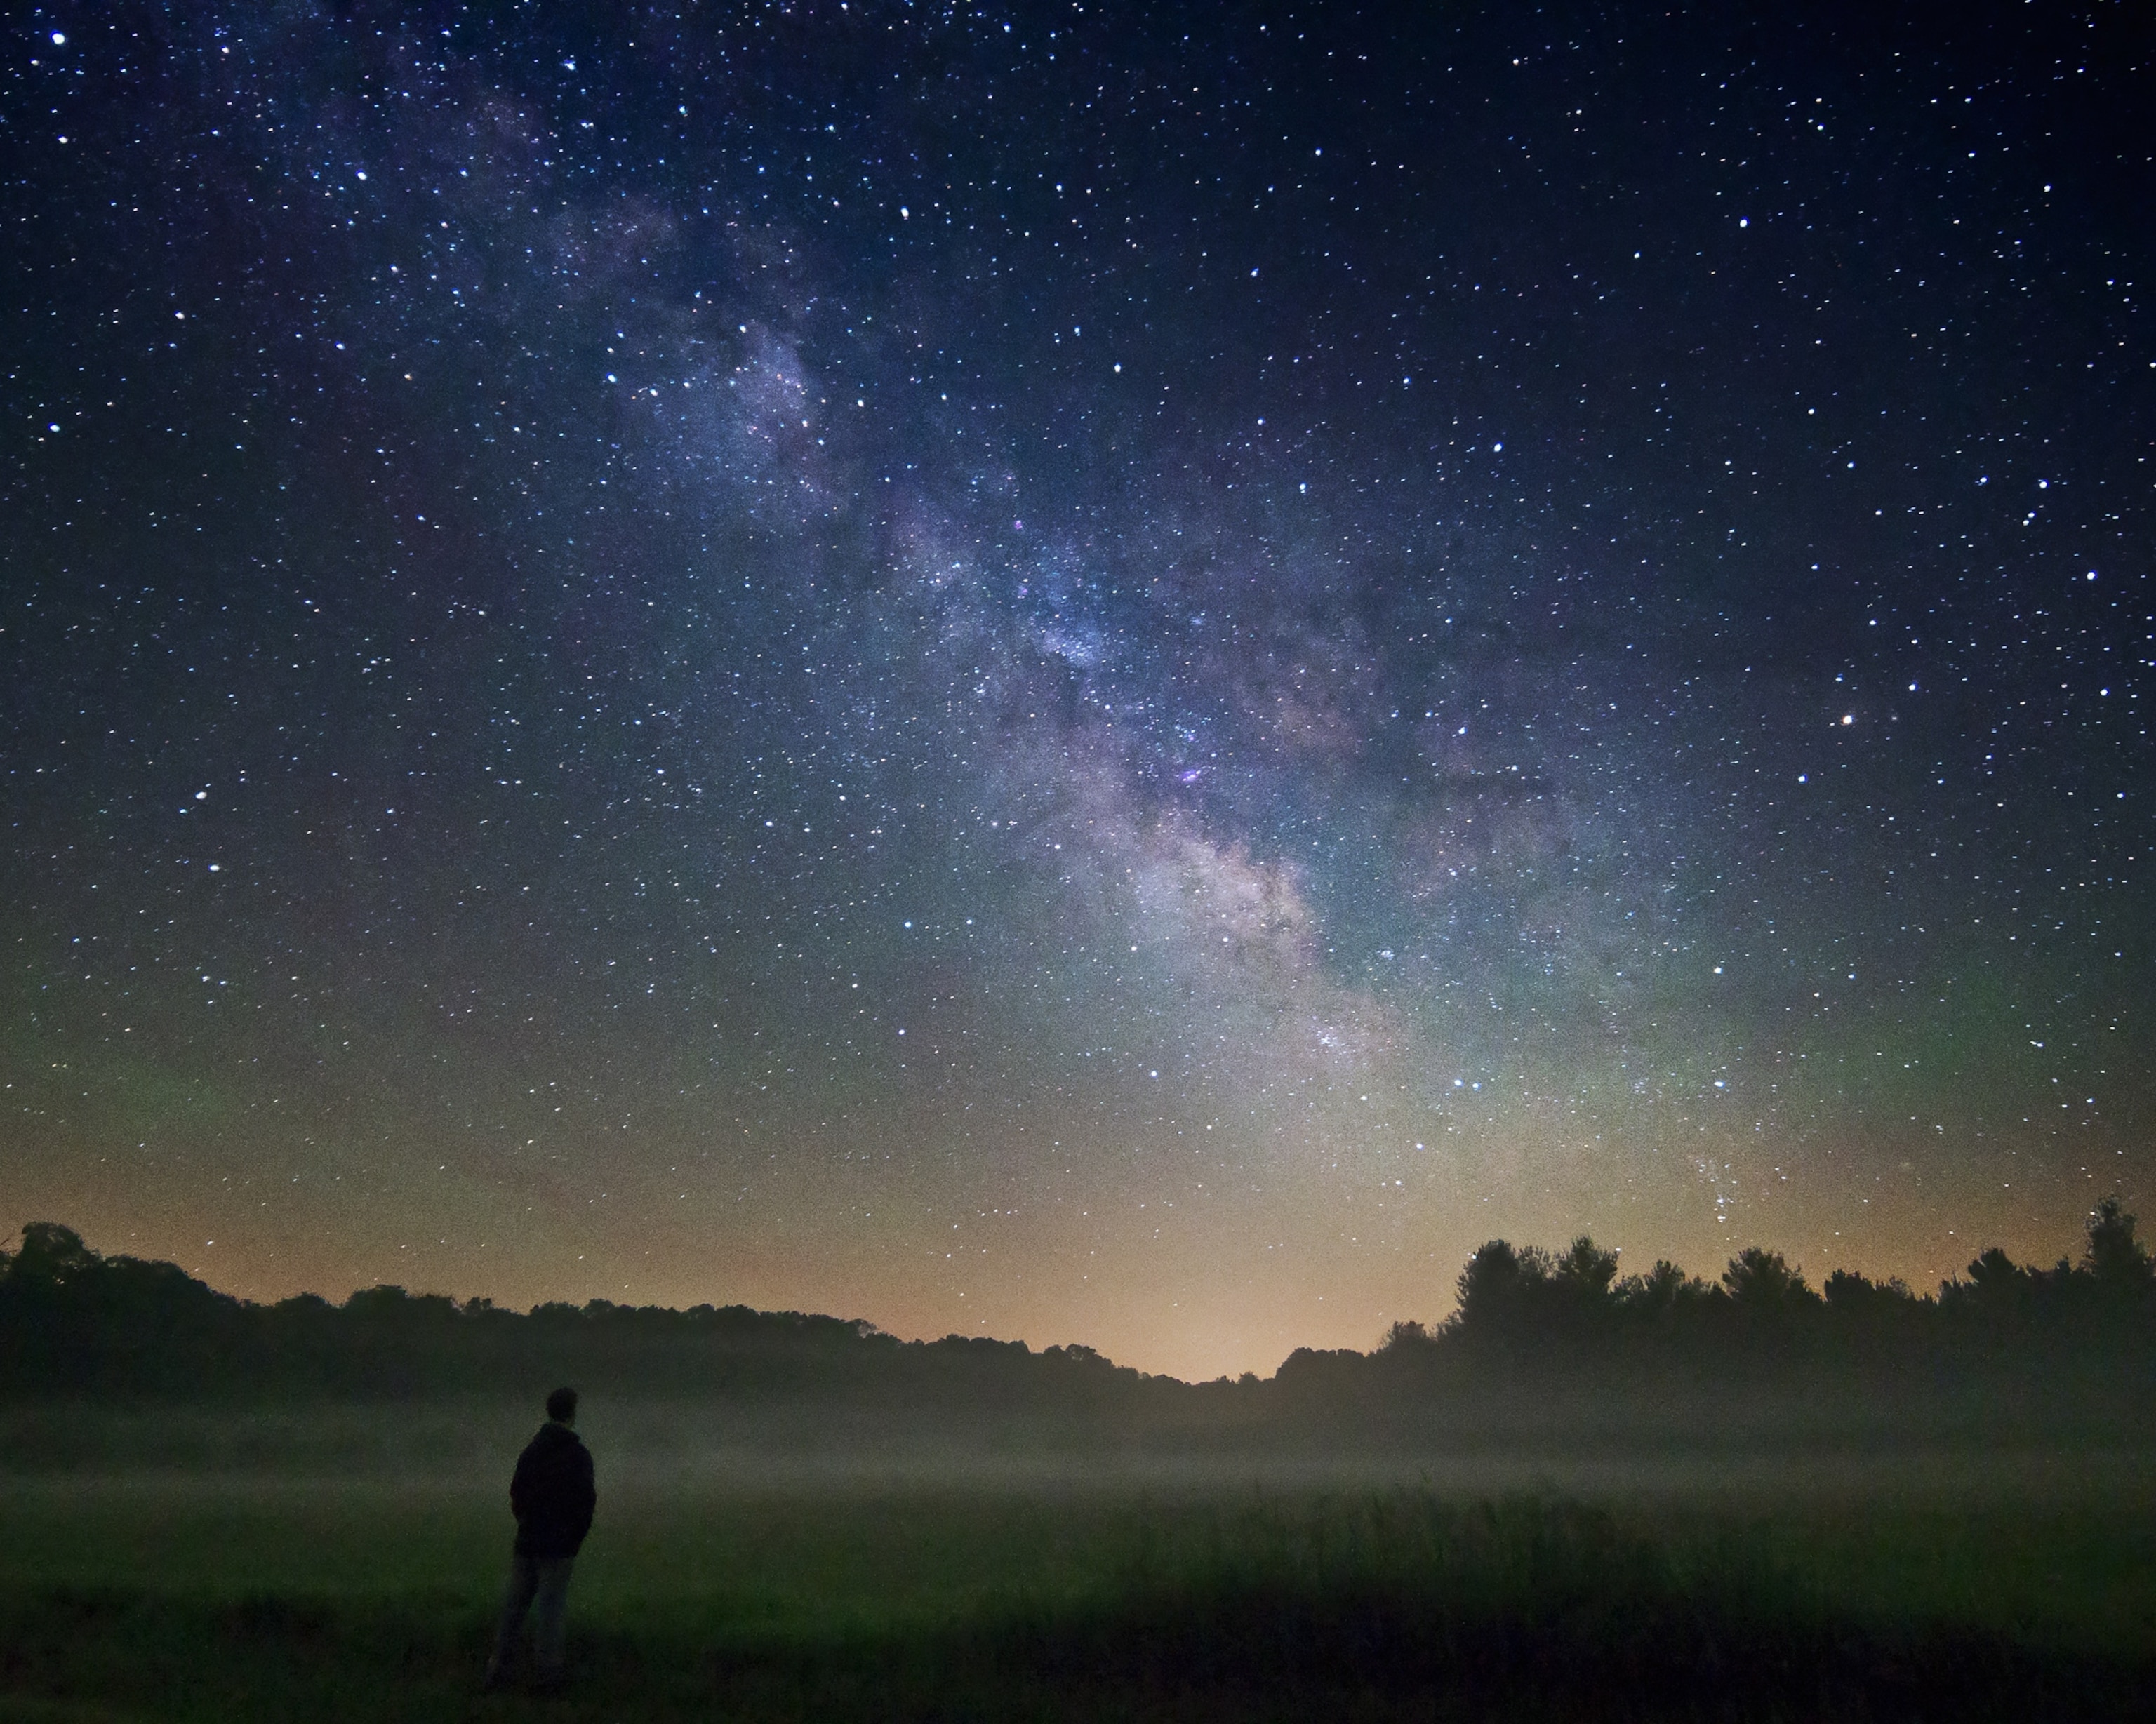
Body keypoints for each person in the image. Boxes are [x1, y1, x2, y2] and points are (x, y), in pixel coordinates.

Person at [484, 1386, 597, 1691]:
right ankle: (548, 1675)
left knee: (514, 1608)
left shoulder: (532, 1451)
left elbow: (517, 1494)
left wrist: (527, 1524)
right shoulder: (577, 1456)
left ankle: (498, 1671)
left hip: (528, 1542)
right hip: (559, 1548)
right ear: (572, 1414)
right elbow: (586, 1503)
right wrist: (573, 1539)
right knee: (551, 1610)